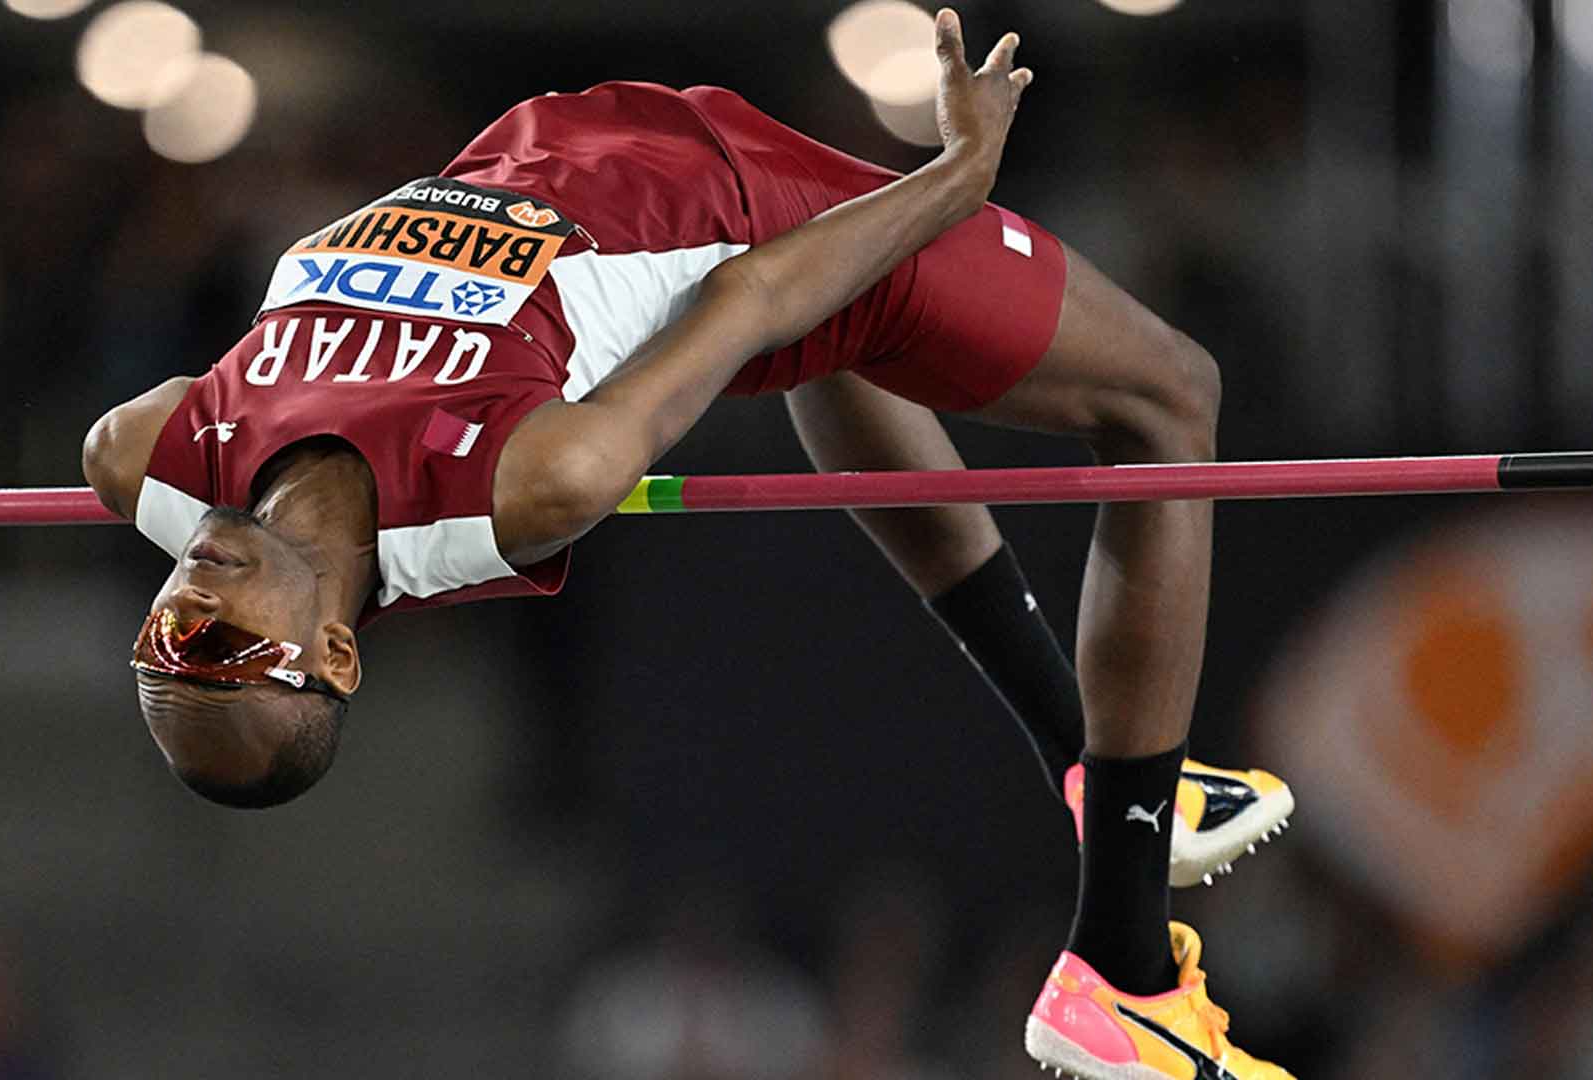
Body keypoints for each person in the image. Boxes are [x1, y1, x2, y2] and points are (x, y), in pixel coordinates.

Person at [82, 10, 1293, 1077]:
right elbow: (752, 299)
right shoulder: (525, 481)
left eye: (161, 647)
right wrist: (954, 176)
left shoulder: (146, 456)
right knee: (1170, 395)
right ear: (338, 654)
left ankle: (1099, 771)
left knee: (828, 356)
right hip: (756, 218)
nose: (185, 614)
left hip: (585, 150)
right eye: (222, 651)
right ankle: (1124, 970)